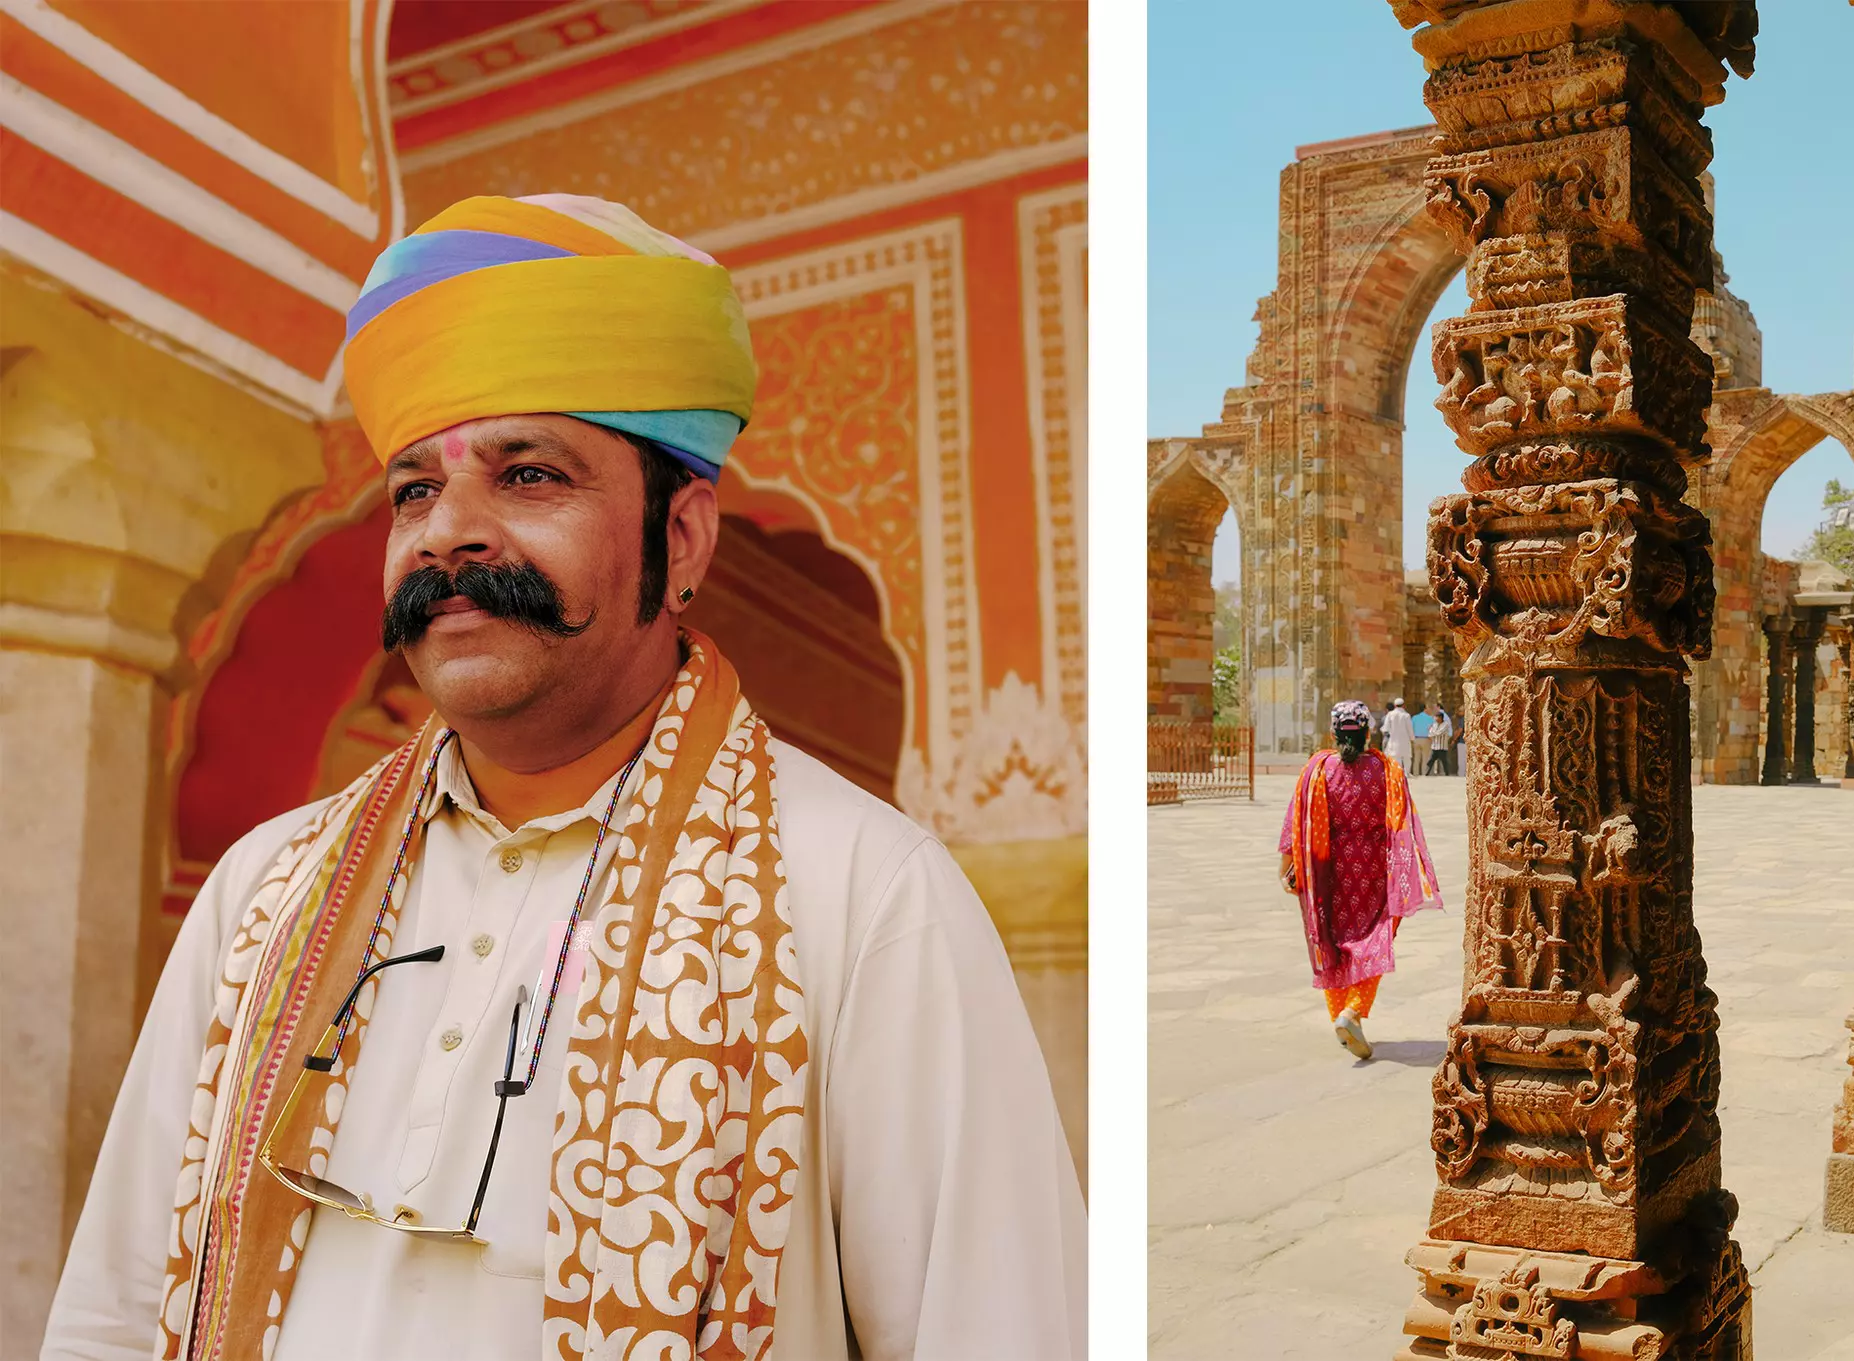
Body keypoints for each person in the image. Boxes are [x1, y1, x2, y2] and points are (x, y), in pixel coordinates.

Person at [43, 194, 1084, 1361]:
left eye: (528, 475)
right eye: (415, 490)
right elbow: (116, 1312)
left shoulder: (859, 890)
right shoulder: (265, 891)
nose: (448, 534)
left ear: (680, 539)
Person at [1278, 702, 1444, 1060]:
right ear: (1368, 732)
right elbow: (1399, 823)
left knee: (1331, 940)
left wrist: (1287, 863)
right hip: (1372, 869)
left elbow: (1297, 817)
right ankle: (1352, 1011)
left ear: (1334, 734)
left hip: (1327, 870)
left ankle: (1343, 1013)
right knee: (1375, 939)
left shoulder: (1317, 770)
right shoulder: (1387, 770)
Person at [1381, 698, 1414, 775]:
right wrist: (1412, 738)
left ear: (1395, 705)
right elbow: (1410, 728)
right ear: (1403, 705)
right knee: (1407, 758)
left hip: (1394, 740)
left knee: (1396, 757)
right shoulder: (1406, 715)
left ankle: (1398, 774)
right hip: (1405, 740)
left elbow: (1386, 728)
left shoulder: (1390, 714)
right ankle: (1406, 774)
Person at [1427, 705, 1456, 776]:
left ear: (1441, 718)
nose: (1436, 719)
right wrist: (1433, 732)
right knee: (1431, 761)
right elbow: (1430, 734)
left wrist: (1433, 732)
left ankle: (1447, 773)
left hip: (1442, 747)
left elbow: (1439, 732)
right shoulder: (1434, 724)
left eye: (1437, 717)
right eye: (1435, 717)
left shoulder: (1445, 724)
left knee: (1444, 762)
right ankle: (1426, 773)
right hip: (1434, 746)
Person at [1409, 704, 1432, 775]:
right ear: (1425, 709)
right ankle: (1424, 774)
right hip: (1426, 739)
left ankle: (1415, 773)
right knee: (1425, 758)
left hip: (1416, 739)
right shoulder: (1430, 718)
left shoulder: (1414, 718)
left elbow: (1411, 729)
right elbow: (1432, 729)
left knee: (1416, 758)